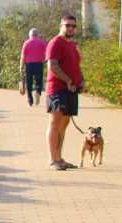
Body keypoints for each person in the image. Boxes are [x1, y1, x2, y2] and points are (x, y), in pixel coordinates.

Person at [46, 13, 85, 171]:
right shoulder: (55, 43)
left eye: (73, 26)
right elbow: (53, 66)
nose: (70, 28)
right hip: (57, 89)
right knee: (55, 123)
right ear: (60, 26)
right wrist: (68, 80)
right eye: (67, 25)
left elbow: (76, 66)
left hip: (72, 90)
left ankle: (59, 158)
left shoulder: (72, 45)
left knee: (64, 124)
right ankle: (52, 160)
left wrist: (81, 80)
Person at [21, 28, 46, 106]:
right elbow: (47, 52)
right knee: (39, 81)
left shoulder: (26, 43)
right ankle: (38, 92)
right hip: (39, 64)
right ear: (37, 35)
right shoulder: (42, 43)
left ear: (30, 35)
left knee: (29, 82)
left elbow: (23, 56)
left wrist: (21, 66)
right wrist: (44, 60)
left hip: (29, 65)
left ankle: (30, 100)